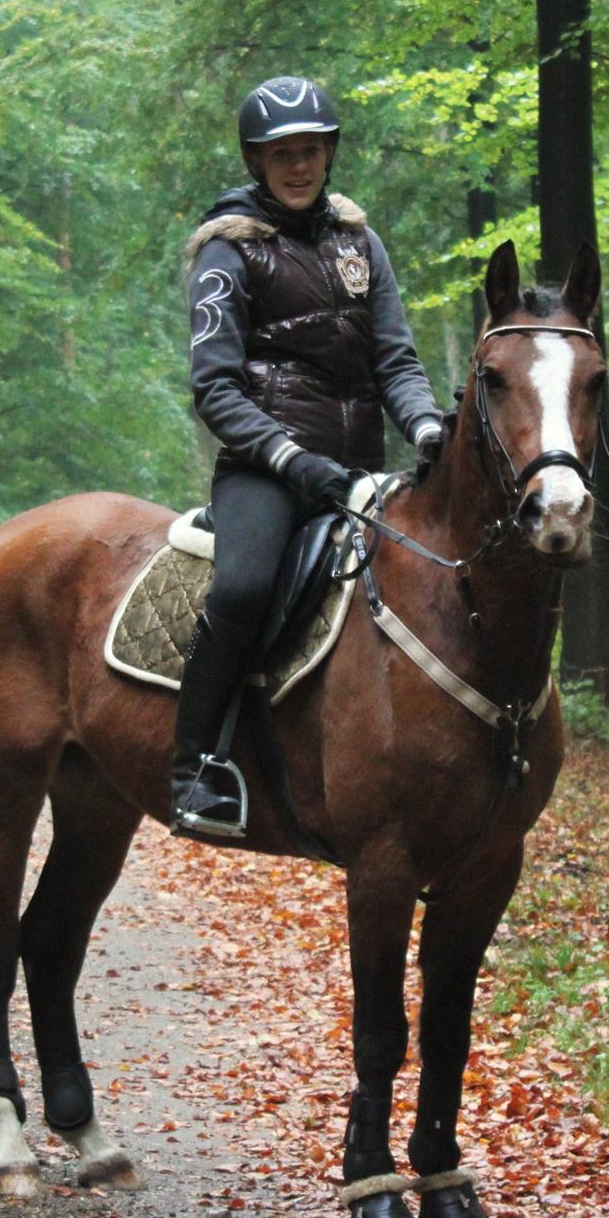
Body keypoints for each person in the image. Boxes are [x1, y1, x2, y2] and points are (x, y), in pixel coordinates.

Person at [173, 74, 445, 839]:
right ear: (257, 162)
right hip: (268, 473)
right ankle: (193, 766)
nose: (300, 166)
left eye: (312, 152)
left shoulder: (361, 242)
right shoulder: (227, 252)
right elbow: (215, 388)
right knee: (243, 586)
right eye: (283, 154)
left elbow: (396, 361)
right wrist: (293, 460)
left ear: (329, 154)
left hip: (361, 470)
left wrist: (426, 430)